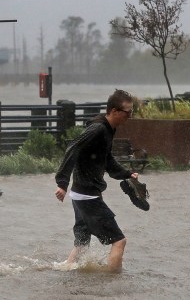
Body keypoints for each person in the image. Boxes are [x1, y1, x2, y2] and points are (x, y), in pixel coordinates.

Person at [53, 89, 141, 273]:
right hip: (87, 196)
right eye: (128, 112)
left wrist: (126, 174)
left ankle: (65, 271)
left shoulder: (109, 129)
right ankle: (113, 283)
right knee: (119, 241)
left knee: (82, 243)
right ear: (114, 111)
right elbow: (72, 148)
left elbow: (106, 159)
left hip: (82, 195)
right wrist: (62, 183)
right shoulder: (98, 129)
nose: (130, 116)